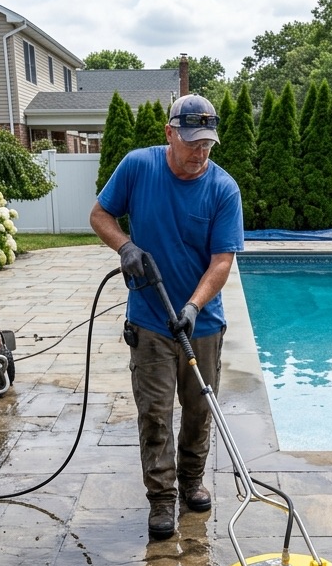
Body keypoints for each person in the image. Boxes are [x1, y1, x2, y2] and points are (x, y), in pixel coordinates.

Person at [90, 94, 244, 540]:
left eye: (207, 144)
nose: (200, 152)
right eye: (192, 142)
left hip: (202, 325)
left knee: (198, 412)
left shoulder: (222, 188)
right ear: (169, 133)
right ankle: (161, 499)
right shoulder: (139, 167)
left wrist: (193, 307)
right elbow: (100, 214)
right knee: (155, 414)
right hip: (149, 321)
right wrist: (126, 246)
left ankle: (192, 480)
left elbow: (221, 261)